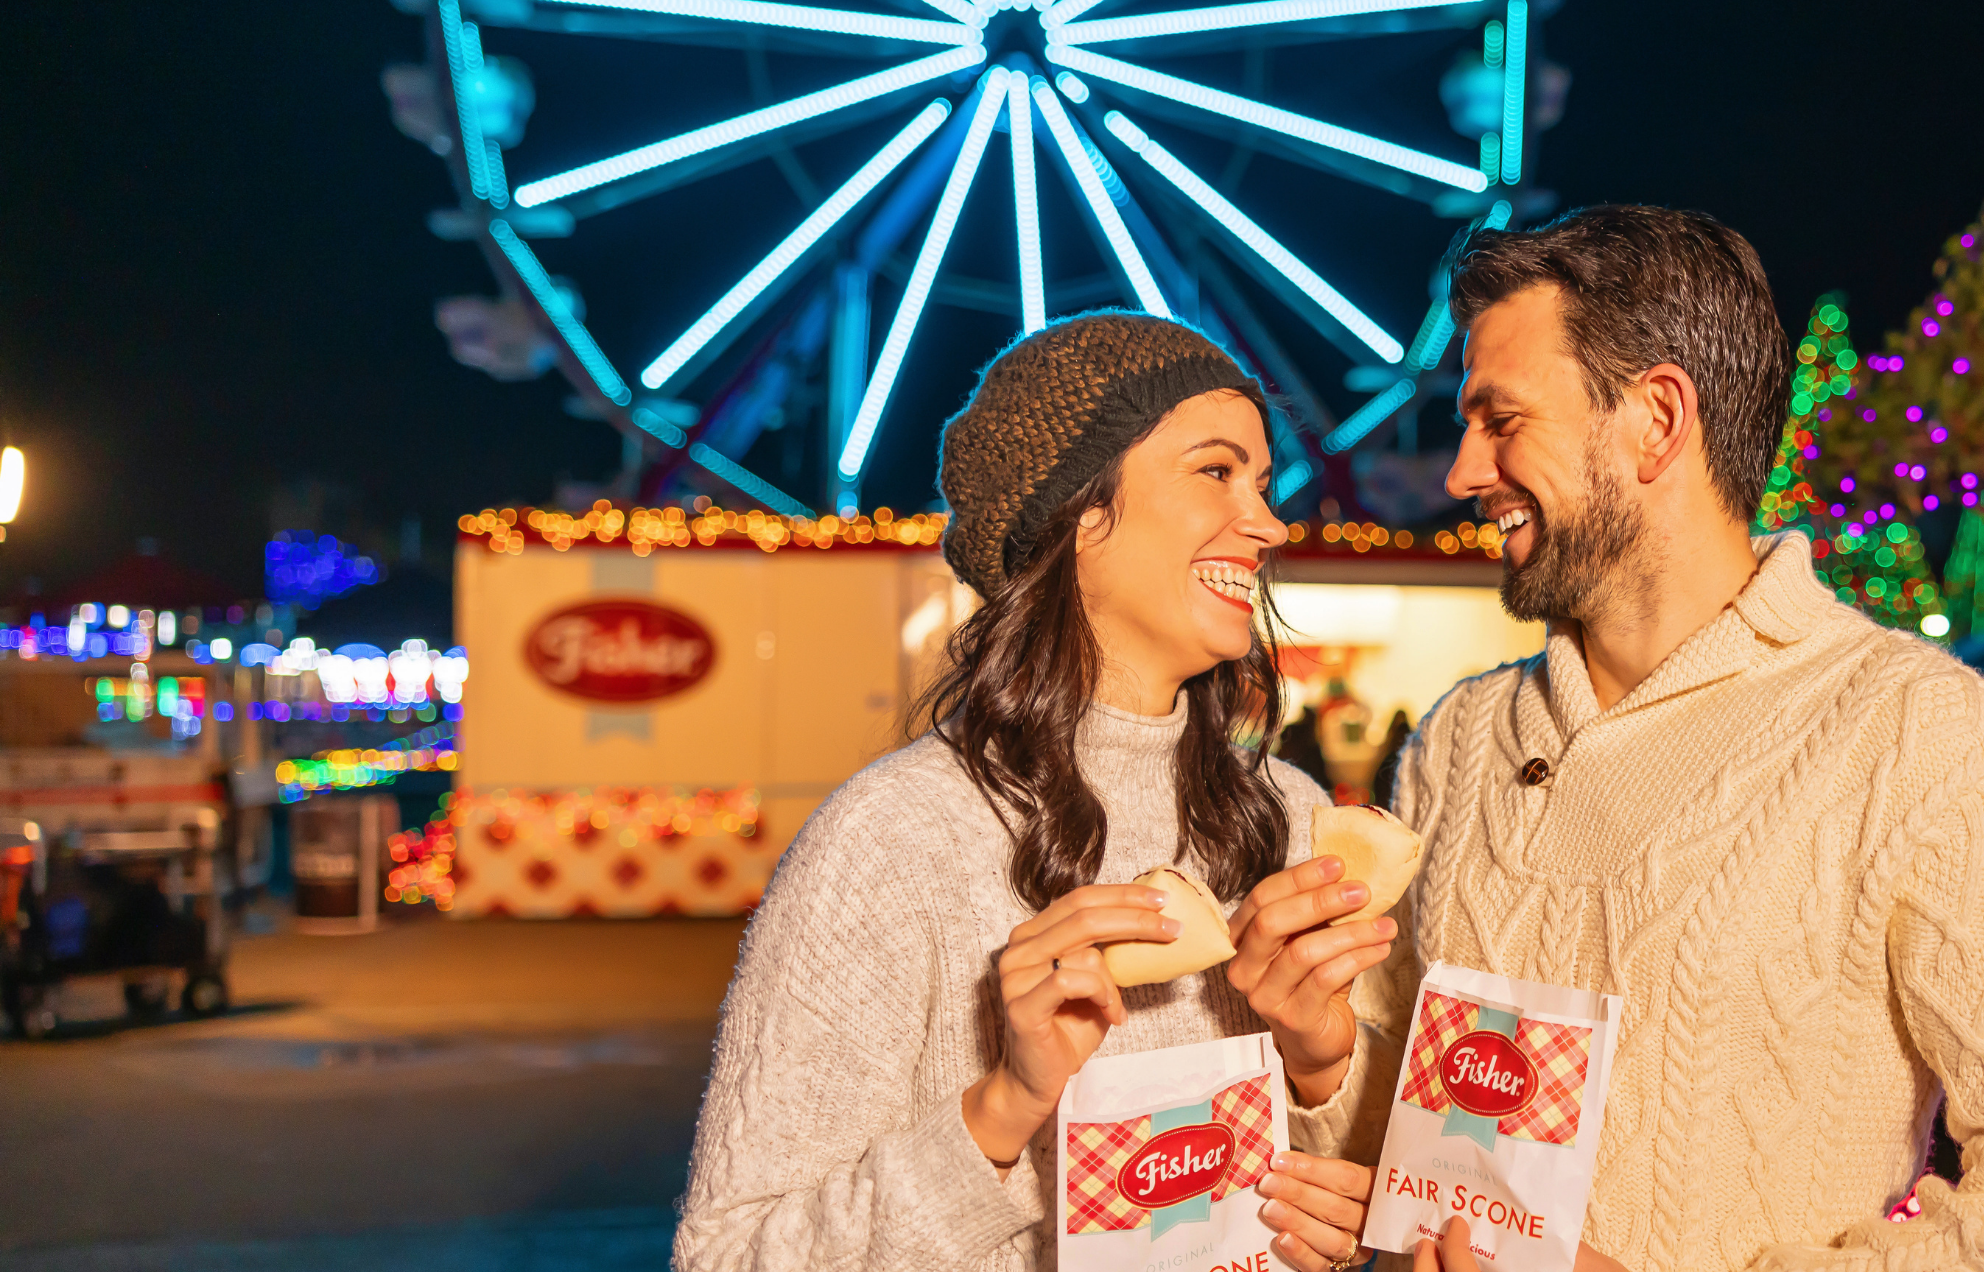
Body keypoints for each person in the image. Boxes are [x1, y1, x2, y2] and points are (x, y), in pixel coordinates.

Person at [1288, 205, 1984, 1270]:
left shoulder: (1910, 731)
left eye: (1500, 418)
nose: (1463, 472)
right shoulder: (1460, 736)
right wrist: (1322, 1058)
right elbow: (1382, 1153)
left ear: (1656, 419)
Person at [674, 313, 1395, 1271]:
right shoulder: (893, 839)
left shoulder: (1300, 813)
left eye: (1262, 482)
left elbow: (1362, 1194)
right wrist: (1003, 1108)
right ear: (1078, 512)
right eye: (1217, 473)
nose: (1269, 522)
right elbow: (728, 1258)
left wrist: (1326, 1098)